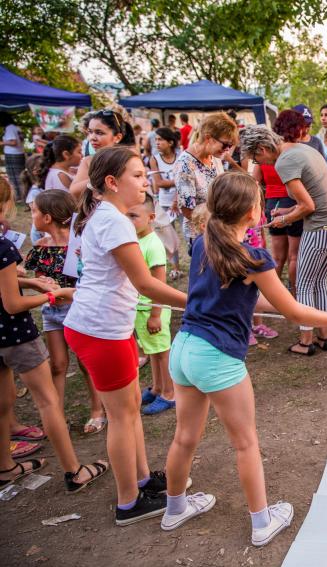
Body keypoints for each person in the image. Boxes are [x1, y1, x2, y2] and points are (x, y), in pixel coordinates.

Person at [160, 172, 327, 544]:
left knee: (184, 438)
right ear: (252, 212)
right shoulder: (253, 258)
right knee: (245, 443)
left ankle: (175, 507)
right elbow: (294, 313)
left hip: (184, 349)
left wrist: (283, 305)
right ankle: (262, 523)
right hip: (216, 357)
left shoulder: (204, 243)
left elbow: (250, 300)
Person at [63, 146, 188, 525]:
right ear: (112, 182)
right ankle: (128, 501)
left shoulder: (107, 215)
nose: (145, 180)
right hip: (101, 331)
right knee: (121, 417)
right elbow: (145, 283)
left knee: (130, 408)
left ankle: (143, 479)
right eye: (137, 175)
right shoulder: (114, 220)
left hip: (102, 327)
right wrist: (197, 302)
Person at [0, 177, 108, 493]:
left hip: (69, 312)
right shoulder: (11, 247)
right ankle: (74, 469)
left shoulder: (77, 242)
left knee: (8, 401)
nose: (25, 212)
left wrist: (34, 285)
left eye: (32, 209)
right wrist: (48, 294)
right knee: (51, 388)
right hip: (24, 327)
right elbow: (12, 301)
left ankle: (7, 467)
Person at [240, 123, 327, 356]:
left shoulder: (284, 161)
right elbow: (314, 196)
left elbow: (309, 205)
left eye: (256, 158)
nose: (260, 164)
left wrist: (283, 221)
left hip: (318, 228)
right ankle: (323, 336)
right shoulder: (303, 148)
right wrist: (286, 212)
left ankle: (306, 342)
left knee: (305, 283)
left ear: (263, 148)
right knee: (319, 282)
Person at [25, 190, 107, 434]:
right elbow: (39, 277)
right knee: (58, 364)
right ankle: (56, 414)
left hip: (78, 309)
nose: (32, 216)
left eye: (34, 211)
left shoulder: (81, 244)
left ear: (48, 217)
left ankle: (97, 410)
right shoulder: (40, 247)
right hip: (51, 312)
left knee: (85, 362)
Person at [127, 194, 176, 415]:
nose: (128, 221)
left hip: (152, 309)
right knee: (152, 351)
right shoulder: (136, 240)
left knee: (162, 352)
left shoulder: (153, 244)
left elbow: (159, 283)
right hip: (141, 309)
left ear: (151, 217)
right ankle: (157, 388)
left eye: (133, 216)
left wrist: (156, 314)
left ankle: (169, 393)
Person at [175, 113, 238, 253]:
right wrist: (214, 226)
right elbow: (187, 210)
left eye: (230, 146)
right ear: (209, 138)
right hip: (201, 235)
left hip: (220, 228)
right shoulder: (185, 163)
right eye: (225, 144)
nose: (227, 150)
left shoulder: (214, 157)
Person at [253, 137, 301, 289]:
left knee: (277, 257)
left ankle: (271, 292)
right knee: (294, 256)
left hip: (272, 205)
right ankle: (294, 294)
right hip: (292, 202)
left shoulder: (261, 158)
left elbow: (255, 182)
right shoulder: (288, 156)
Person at [70, 108, 136, 197]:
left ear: (117, 138)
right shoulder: (89, 161)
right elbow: (74, 191)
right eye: (90, 132)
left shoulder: (129, 160)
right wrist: (99, 179)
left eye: (99, 133)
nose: (92, 138)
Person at [151, 127, 182, 279]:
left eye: (160, 139)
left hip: (183, 201)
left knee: (191, 235)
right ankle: (176, 268)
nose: (157, 142)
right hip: (164, 203)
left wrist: (176, 197)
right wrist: (177, 182)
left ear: (170, 142)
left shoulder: (181, 156)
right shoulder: (154, 159)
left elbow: (186, 180)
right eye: (156, 139)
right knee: (168, 237)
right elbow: (158, 183)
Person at [0, 112, 26, 202]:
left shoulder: (9, 128)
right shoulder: (16, 127)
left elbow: (13, 142)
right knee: (19, 176)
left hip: (13, 155)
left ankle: (19, 197)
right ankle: (21, 197)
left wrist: (2, 143)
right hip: (19, 153)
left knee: (14, 177)